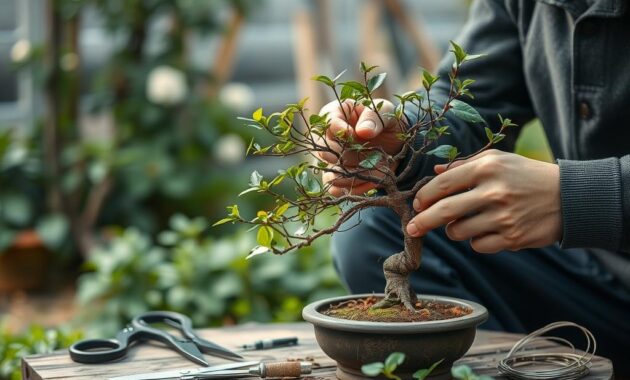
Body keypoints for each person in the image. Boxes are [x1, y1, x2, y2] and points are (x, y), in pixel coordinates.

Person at [315, 0, 630, 375]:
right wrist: (399, 142)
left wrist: (581, 196)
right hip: (599, 279)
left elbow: (581, 198)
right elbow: (471, 100)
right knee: (373, 229)